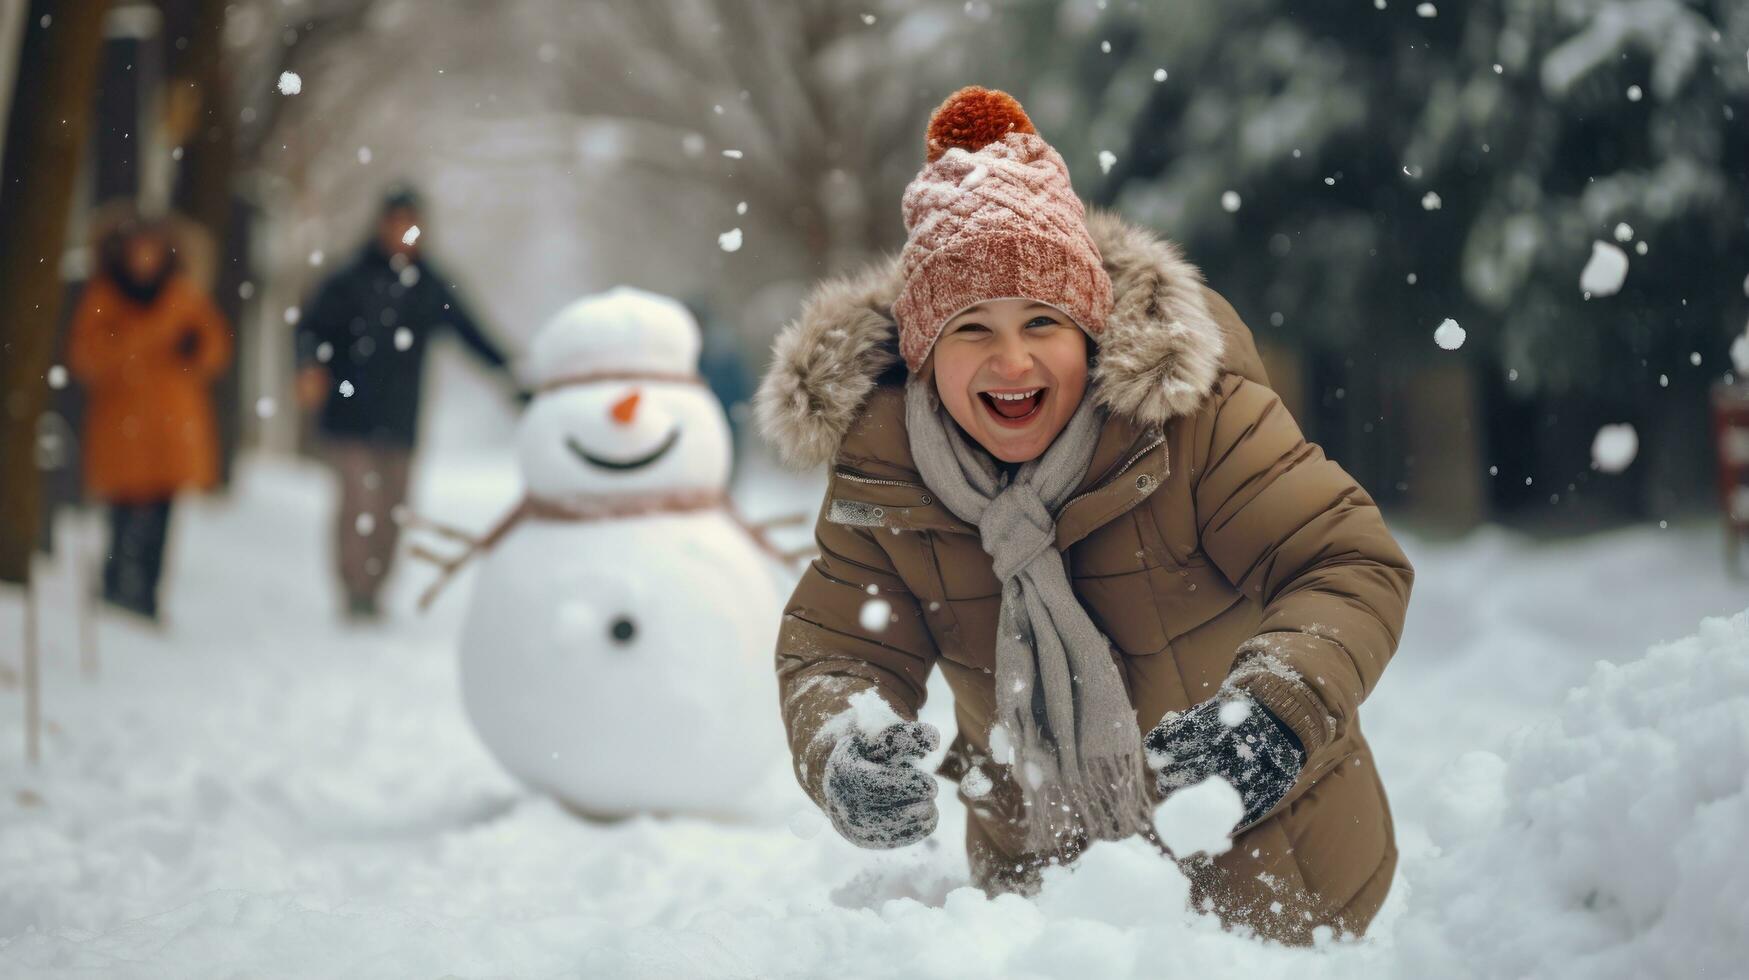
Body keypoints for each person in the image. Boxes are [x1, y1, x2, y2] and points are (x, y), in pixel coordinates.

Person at [755, 87, 1413, 944]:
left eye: (1042, 321)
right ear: (922, 355)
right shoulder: (892, 475)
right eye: (969, 329)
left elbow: (1345, 563)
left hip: (1271, 880)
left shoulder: (1192, 423)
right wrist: (843, 746)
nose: (1012, 359)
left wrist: (1279, 707)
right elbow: (837, 646)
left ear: (1090, 330)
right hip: (1046, 916)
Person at [294, 186, 516, 620]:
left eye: (411, 224)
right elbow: (310, 330)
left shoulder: (430, 285)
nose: (403, 233)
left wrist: (511, 373)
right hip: (348, 412)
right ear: (381, 225)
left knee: (392, 510)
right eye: (396, 222)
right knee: (358, 504)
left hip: (400, 419)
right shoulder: (349, 278)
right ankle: (354, 590)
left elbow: (474, 335)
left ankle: (375, 590)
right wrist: (309, 366)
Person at [69, 211, 233, 622]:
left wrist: (194, 348)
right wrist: (147, 337)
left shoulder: (183, 297)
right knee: (122, 513)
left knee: (161, 516)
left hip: (170, 430)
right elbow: (87, 356)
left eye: (151, 250)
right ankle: (115, 587)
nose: (143, 259)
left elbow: (215, 351)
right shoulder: (104, 298)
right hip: (120, 427)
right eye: (136, 250)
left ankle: (146, 594)